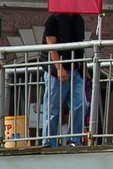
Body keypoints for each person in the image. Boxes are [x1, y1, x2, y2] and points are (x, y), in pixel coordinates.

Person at [39, 11, 91, 146]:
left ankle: (73, 139)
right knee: (52, 108)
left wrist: (84, 70)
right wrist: (58, 68)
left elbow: (80, 46)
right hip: (55, 72)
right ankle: (49, 142)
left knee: (81, 103)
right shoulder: (54, 19)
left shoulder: (78, 19)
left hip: (75, 69)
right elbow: (51, 44)